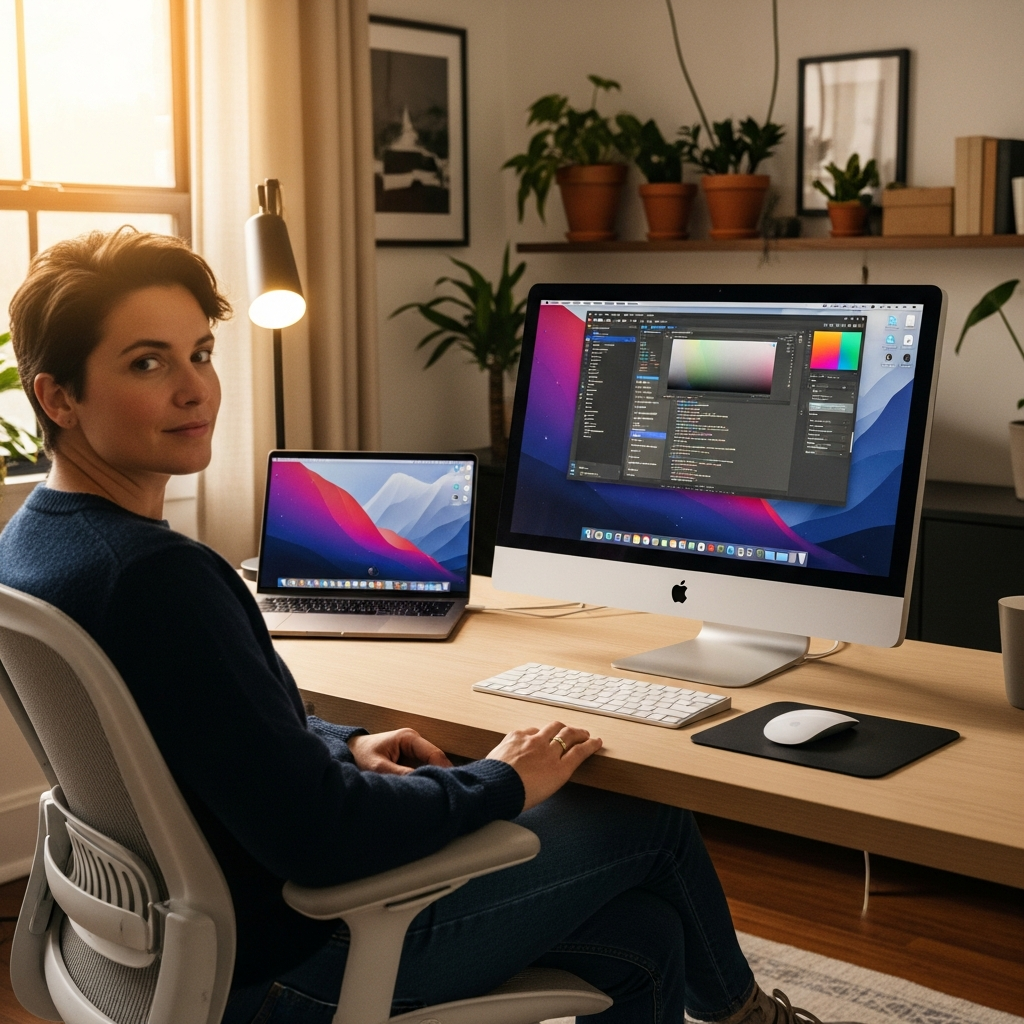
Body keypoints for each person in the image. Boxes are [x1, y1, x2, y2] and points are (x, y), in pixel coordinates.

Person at [0, 229, 854, 1024]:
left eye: (201, 353)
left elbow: (221, 739)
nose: (195, 388)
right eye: (148, 363)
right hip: (287, 967)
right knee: (647, 821)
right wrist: (505, 779)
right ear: (59, 397)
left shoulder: (32, 549)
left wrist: (348, 742)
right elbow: (324, 837)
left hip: (162, 951)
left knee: (646, 937)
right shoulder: (158, 576)